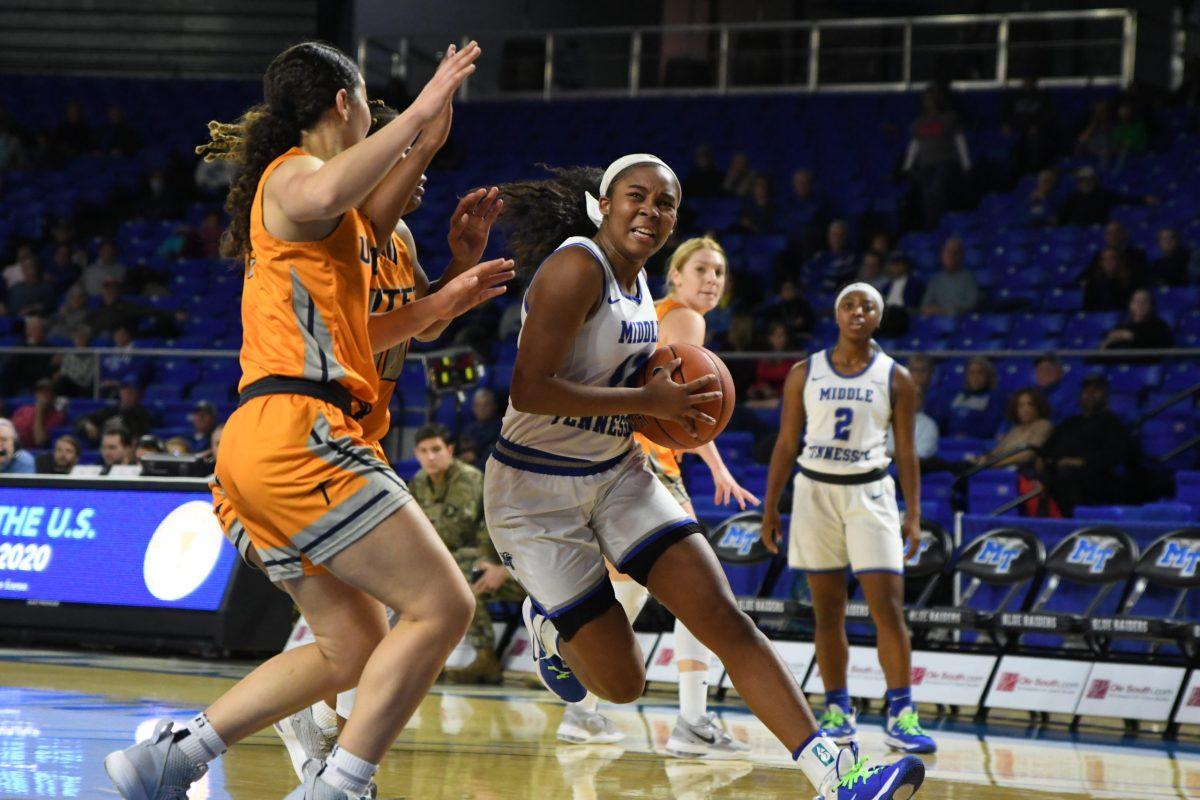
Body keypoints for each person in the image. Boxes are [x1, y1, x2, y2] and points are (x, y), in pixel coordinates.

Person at [101, 40, 508, 800]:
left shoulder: (341, 221)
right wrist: (419, 110)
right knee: (445, 604)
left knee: (353, 644)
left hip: (271, 442)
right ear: (344, 104)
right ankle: (340, 785)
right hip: (302, 435)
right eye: (366, 108)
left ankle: (173, 757)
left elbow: (379, 275)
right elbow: (335, 200)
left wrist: (427, 145)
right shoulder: (292, 176)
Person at [491, 156, 924, 799]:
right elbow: (529, 390)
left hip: (618, 473)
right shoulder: (578, 266)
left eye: (664, 204)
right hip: (534, 489)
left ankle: (836, 776)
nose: (650, 210)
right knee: (622, 684)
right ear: (604, 204)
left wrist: (669, 415)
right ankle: (549, 622)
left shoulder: (642, 290)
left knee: (725, 616)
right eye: (635, 197)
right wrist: (648, 406)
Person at [580, 235, 760, 756]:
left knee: (629, 592)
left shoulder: (649, 310)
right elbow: (691, 407)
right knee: (700, 594)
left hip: (621, 457)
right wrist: (718, 464)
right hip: (651, 463)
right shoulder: (684, 317)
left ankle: (581, 708)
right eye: (701, 269)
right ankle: (692, 721)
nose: (711, 280)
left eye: (720, 272)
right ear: (675, 275)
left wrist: (713, 463)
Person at [760, 282, 935, 756]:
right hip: (814, 491)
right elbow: (785, 442)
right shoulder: (804, 372)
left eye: (868, 307)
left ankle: (902, 712)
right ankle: (838, 708)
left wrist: (913, 513)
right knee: (827, 611)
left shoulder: (895, 377)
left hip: (870, 493)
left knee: (888, 609)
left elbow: (907, 451)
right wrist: (770, 505)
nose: (858, 312)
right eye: (849, 305)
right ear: (836, 314)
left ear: (879, 318)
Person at [410, 423, 522, 683]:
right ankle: (423, 657)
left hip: (479, 562)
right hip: (435, 565)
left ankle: (485, 658)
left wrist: (490, 561)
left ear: (449, 450)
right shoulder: (416, 483)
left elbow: (488, 526)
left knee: (458, 572)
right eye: (424, 451)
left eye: (436, 449)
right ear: (416, 453)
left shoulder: (472, 479)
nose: (430, 457)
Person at [1041, 374, 1140, 514]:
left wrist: (1081, 462)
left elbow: (1116, 454)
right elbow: (1049, 447)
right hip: (1059, 468)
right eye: (1087, 391)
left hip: (1096, 476)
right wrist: (1044, 459)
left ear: (1106, 396)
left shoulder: (1112, 423)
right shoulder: (1070, 422)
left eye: (1096, 391)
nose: (1091, 395)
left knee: (1067, 476)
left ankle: (1073, 520)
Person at [903, 84, 971, 228]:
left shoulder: (950, 118)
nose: (929, 101)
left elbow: (959, 141)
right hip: (925, 164)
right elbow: (915, 144)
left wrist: (966, 164)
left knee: (938, 193)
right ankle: (931, 228)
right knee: (927, 198)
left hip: (944, 162)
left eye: (932, 98)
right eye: (927, 98)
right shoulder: (920, 122)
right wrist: (908, 165)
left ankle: (943, 226)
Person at [967, 388, 1053, 468]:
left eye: (1030, 405)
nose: (1026, 409)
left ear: (1038, 406)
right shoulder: (1016, 428)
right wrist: (982, 458)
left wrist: (996, 463)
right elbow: (996, 452)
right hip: (1001, 467)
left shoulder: (1043, 425)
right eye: (1021, 406)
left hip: (1022, 473)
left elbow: (1028, 455)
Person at [940, 357, 1003, 440]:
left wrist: (967, 436)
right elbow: (945, 420)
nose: (975, 377)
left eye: (980, 373)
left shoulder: (995, 398)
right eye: (971, 373)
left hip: (977, 443)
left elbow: (991, 426)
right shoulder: (957, 395)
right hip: (951, 441)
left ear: (988, 376)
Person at [1101, 288, 1174, 351]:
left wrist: (1131, 336)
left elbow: (1163, 346)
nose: (1140, 305)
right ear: (1130, 305)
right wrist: (1106, 343)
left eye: (1144, 301)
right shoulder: (1122, 327)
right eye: (1136, 301)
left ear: (1152, 306)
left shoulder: (1160, 327)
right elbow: (1098, 358)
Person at [920, 237, 978, 316]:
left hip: (959, 321)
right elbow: (926, 304)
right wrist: (934, 310)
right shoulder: (936, 279)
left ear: (961, 256)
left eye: (955, 252)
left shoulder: (968, 277)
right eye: (948, 252)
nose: (951, 256)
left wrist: (947, 310)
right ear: (942, 255)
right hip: (937, 320)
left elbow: (972, 303)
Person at [11, 378, 67, 449]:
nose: (43, 395)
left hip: (35, 453)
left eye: (47, 392)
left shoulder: (58, 416)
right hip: (14, 449)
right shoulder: (23, 410)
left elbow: (40, 442)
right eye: (40, 392)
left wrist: (39, 411)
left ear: (54, 396)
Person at [459, 387, 502, 465]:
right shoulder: (469, 429)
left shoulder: (502, 428)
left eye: (486, 405)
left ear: (494, 406)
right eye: (477, 405)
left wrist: (476, 457)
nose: (481, 409)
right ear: (473, 408)